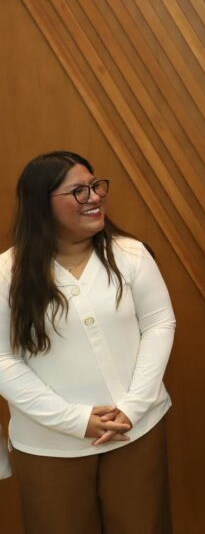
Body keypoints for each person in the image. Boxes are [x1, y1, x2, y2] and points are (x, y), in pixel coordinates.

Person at [0, 151, 175, 534]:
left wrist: (133, 406)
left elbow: (160, 324)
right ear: (39, 204)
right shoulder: (7, 273)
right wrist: (76, 420)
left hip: (136, 431)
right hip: (50, 445)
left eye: (96, 186)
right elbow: (3, 360)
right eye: (78, 191)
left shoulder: (130, 254)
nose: (94, 197)